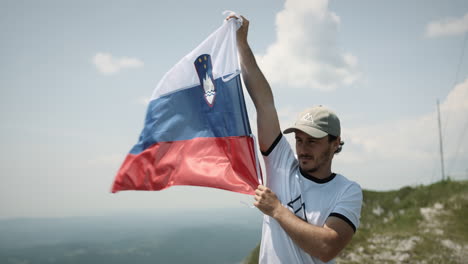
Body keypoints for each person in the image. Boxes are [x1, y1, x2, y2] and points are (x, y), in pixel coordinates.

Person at [227, 15, 363, 263]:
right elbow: (263, 102)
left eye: (313, 141)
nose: (302, 148)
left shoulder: (347, 191)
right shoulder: (282, 165)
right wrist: (241, 44)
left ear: (335, 143)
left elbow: (326, 246)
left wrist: (277, 210)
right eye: (299, 140)